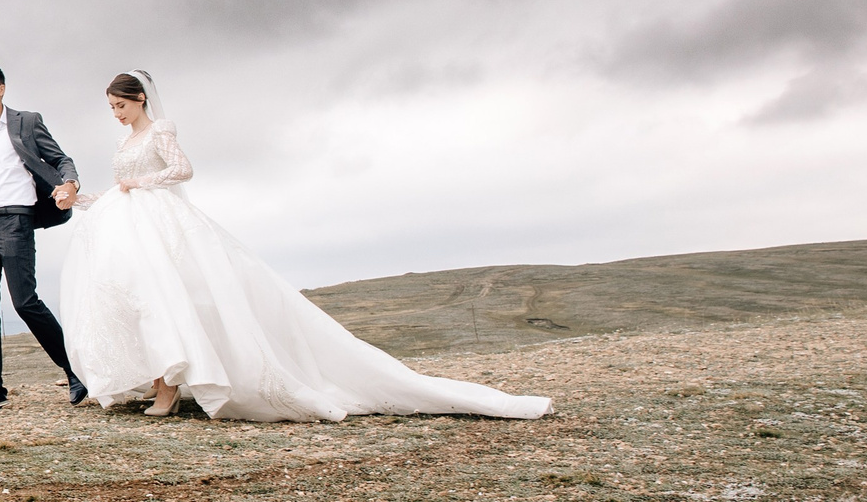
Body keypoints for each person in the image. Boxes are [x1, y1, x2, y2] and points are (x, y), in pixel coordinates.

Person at [53, 72, 550, 422]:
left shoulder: (161, 130)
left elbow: (183, 170)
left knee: (171, 300)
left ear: (140, 98)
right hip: (133, 224)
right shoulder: (123, 146)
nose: (115, 115)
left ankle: (173, 386)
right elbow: (117, 190)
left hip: (162, 220)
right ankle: (163, 382)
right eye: (111, 109)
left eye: (120, 105)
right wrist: (77, 198)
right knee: (142, 302)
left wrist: (145, 185)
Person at [0, 64, 88, 410]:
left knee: (25, 302)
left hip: (15, 222)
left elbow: (61, 159)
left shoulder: (26, 122)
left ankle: (76, 373)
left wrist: (69, 184)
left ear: (1, 89)